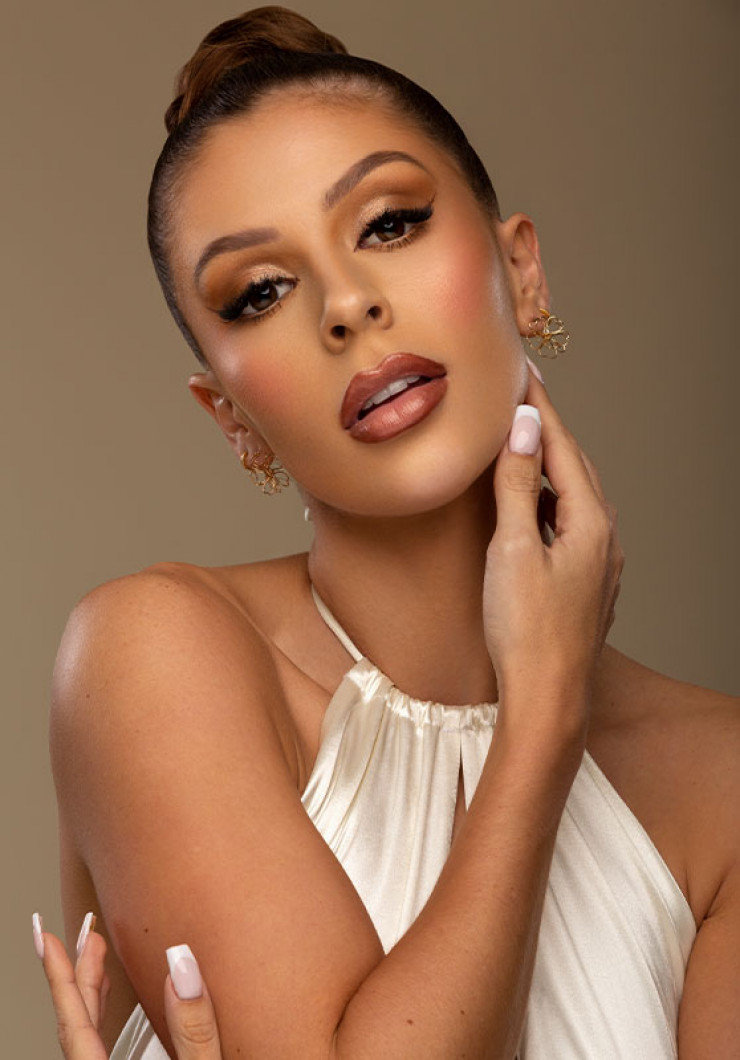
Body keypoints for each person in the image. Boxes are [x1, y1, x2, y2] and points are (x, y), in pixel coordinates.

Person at [44, 5, 739, 1058]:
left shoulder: (719, 778)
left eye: (387, 224)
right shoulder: (153, 656)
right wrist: (540, 721)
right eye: (260, 291)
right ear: (231, 418)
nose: (345, 305)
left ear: (521, 270)